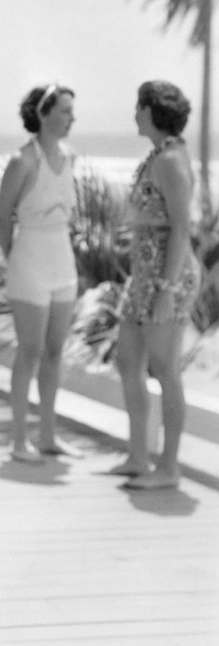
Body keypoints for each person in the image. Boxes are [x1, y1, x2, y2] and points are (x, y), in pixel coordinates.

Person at [111, 81, 204, 490]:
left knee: (166, 369)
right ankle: (137, 456)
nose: (134, 114)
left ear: (150, 111)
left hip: (167, 277)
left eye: (138, 107)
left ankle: (168, 467)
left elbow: (182, 226)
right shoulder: (158, 155)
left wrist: (166, 287)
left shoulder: (170, 160)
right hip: (145, 276)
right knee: (128, 361)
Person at [0, 83, 83, 464]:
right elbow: (2, 216)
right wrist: (14, 258)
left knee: (55, 351)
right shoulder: (23, 161)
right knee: (29, 352)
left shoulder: (70, 157)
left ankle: (48, 435)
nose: (71, 118)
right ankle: (19, 440)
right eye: (64, 111)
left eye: (71, 111)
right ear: (43, 114)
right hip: (29, 260)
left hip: (62, 261)